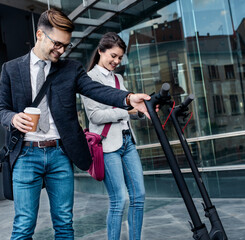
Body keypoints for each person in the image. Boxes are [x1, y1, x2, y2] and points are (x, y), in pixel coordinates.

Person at [0, 9, 152, 240]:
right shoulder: (11, 69)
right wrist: (12, 118)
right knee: (23, 226)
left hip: (60, 154)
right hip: (26, 155)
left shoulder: (70, 69)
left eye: (65, 46)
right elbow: (1, 110)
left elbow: (96, 90)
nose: (61, 51)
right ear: (40, 34)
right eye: (57, 44)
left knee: (64, 225)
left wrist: (128, 98)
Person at [81, 32, 145, 240]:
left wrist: (141, 112)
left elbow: (127, 112)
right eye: (113, 56)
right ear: (100, 51)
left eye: (120, 58)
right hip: (107, 146)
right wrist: (126, 110)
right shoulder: (89, 79)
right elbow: (95, 116)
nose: (116, 61)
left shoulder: (118, 78)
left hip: (127, 142)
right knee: (119, 200)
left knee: (139, 196)